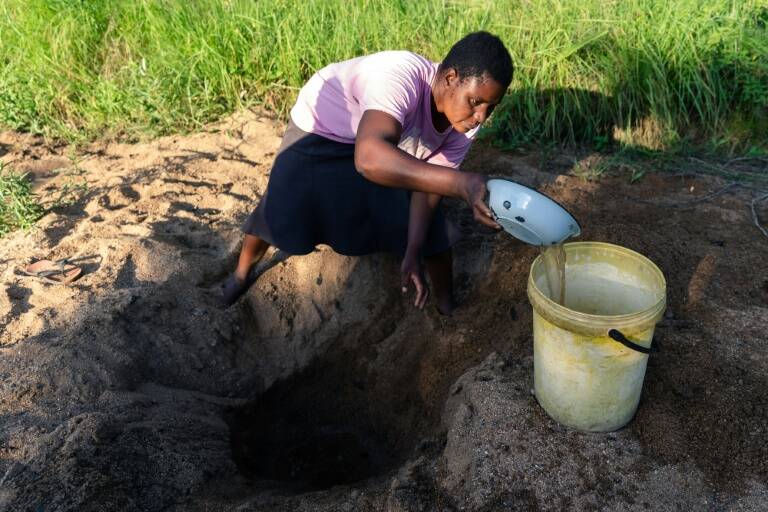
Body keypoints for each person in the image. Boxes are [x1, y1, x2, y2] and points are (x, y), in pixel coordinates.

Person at [223, 31, 513, 315]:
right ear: (450, 78)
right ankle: (240, 274)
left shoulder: (466, 121)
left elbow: (430, 186)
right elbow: (369, 158)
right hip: (324, 130)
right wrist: (462, 183)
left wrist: (412, 248)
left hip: (381, 147)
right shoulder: (400, 76)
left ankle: (448, 308)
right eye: (475, 101)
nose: (481, 117)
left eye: (492, 106)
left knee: (433, 231)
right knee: (282, 207)